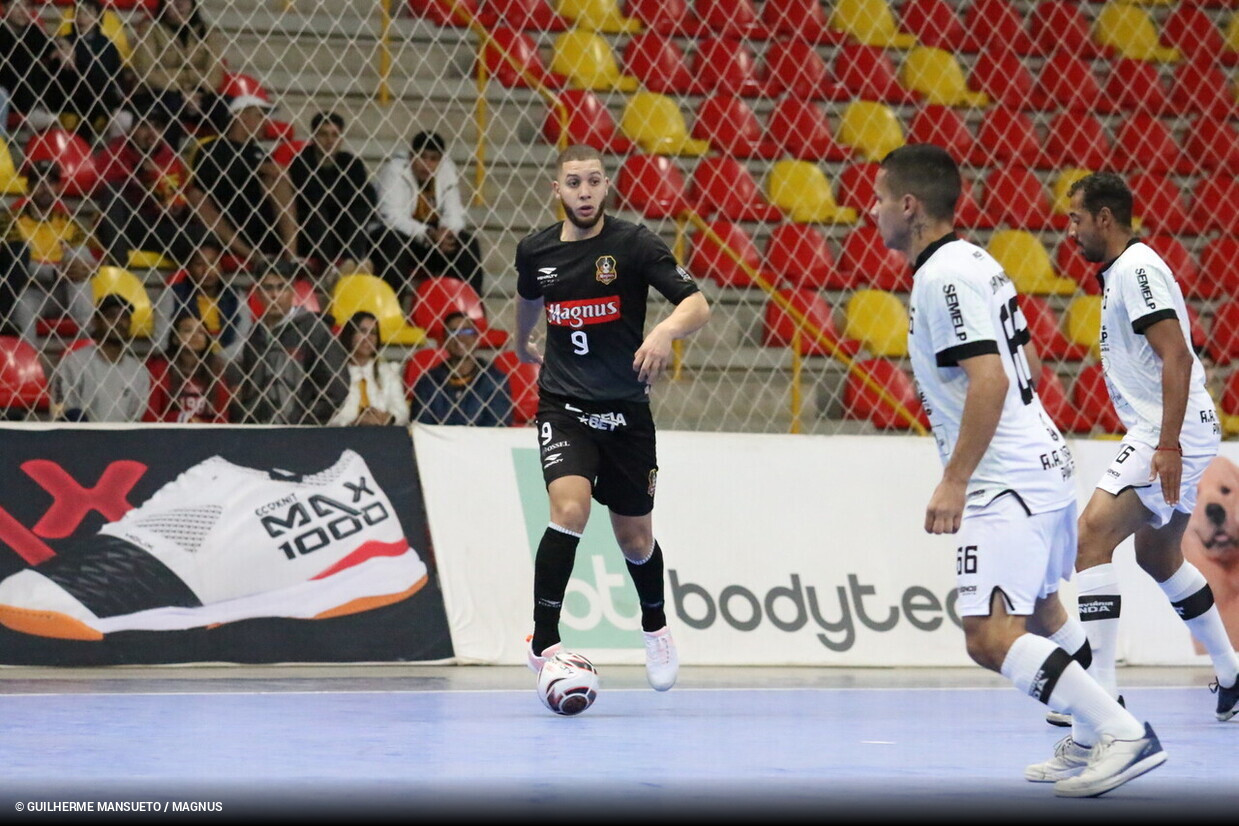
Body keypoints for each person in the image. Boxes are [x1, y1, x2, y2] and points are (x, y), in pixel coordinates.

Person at [872, 144, 1163, 797]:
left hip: (1003, 479)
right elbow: (1024, 359)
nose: (872, 211)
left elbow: (990, 379)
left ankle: (1121, 731)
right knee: (1035, 607)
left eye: (880, 198)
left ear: (909, 207)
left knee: (987, 634)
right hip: (1040, 460)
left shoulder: (941, 276)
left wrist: (954, 479)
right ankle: (1091, 738)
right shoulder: (977, 259)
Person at [513, 144, 711, 693]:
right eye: (573, 182)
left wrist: (664, 331)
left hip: (625, 412)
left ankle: (655, 626)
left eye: (593, 182)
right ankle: (544, 641)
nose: (584, 192)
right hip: (564, 406)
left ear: (606, 187)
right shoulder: (536, 251)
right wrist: (521, 338)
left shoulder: (632, 243)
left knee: (635, 539)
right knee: (569, 508)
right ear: (557, 190)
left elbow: (696, 303)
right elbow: (530, 297)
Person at [1063, 171, 1239, 723]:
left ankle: (1102, 696)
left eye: (1076, 219)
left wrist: (1166, 445)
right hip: (1177, 426)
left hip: (1172, 428)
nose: (1070, 232)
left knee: (1091, 534)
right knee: (1158, 555)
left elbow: (1178, 357)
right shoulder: (1121, 271)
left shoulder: (1137, 269)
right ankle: (1234, 675)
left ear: (1104, 219)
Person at [186, 94, 299, 269]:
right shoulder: (212, 147)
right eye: (260, 115)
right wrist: (258, 168)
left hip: (259, 221)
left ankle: (291, 257)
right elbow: (213, 177)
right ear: (240, 116)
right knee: (195, 196)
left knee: (278, 179)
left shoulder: (261, 152)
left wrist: (268, 172)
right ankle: (255, 258)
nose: (266, 123)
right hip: (224, 224)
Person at [230, 260, 347, 424]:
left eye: (281, 287)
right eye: (268, 288)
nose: (274, 295)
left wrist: (305, 424)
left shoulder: (313, 329)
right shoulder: (254, 335)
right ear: (257, 292)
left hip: (299, 437)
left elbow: (337, 387)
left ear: (292, 291)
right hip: (259, 435)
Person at [372, 130, 484, 299]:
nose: (427, 164)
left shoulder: (446, 170)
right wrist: (428, 234)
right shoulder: (394, 170)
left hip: (433, 239)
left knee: (468, 244)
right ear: (411, 156)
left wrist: (446, 232)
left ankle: (468, 310)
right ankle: (394, 310)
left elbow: (455, 211)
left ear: (440, 160)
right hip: (399, 234)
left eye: (433, 159)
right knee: (393, 242)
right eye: (422, 157)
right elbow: (390, 215)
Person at [94, 105, 196, 265]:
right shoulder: (114, 152)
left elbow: (181, 196)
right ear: (132, 129)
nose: (151, 133)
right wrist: (140, 177)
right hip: (127, 225)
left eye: (157, 127)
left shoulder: (171, 159)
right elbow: (100, 188)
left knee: (206, 234)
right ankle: (119, 265)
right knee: (113, 192)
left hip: (159, 226)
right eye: (144, 126)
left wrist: (176, 207)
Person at [288, 111, 376, 279]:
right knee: (317, 210)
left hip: (343, 231)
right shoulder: (300, 161)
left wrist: (332, 198)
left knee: (359, 208)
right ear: (313, 137)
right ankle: (329, 270)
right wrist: (342, 197)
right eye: (323, 134)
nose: (330, 140)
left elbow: (366, 196)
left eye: (335, 135)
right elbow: (309, 199)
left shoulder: (351, 163)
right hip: (311, 232)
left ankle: (352, 262)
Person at [129, 0, 227, 149]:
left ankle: (225, 159)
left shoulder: (206, 30)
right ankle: (169, 161)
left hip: (197, 93)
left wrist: (198, 91)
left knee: (229, 109)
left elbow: (215, 71)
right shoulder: (149, 29)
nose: (179, 4)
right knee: (172, 106)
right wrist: (181, 90)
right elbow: (147, 72)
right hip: (158, 92)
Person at [153, 233, 252, 364]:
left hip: (225, 365)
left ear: (221, 266)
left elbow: (244, 340)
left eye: (213, 263)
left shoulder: (236, 296)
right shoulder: (172, 294)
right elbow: (160, 342)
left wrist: (218, 360)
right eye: (199, 264)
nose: (207, 270)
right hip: (182, 364)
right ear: (188, 267)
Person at [51, 294, 151, 422]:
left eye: (124, 317)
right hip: (79, 438)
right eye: (111, 315)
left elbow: (135, 420)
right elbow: (60, 413)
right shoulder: (72, 363)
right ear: (96, 321)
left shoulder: (139, 372)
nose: (118, 321)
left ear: (130, 324)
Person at [412, 311, 512, 426]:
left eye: (467, 331)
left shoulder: (495, 381)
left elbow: (497, 427)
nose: (460, 337)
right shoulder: (428, 382)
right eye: (453, 332)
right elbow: (422, 427)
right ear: (444, 340)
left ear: (477, 338)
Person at [145, 312, 232, 422]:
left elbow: (222, 418)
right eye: (187, 330)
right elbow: (150, 416)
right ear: (175, 338)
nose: (195, 335)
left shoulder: (216, 370)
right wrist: (183, 419)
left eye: (200, 332)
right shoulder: (159, 369)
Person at [11, 160, 91, 279]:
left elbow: (91, 259)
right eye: (39, 181)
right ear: (29, 187)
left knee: (80, 253)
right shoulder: (11, 220)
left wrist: (88, 268)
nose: (45, 188)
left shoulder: (67, 220)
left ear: (58, 187)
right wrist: (55, 272)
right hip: (26, 289)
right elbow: (11, 263)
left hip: (64, 287)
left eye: (51, 182)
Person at [61, 0, 128, 141]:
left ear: (97, 16)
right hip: (73, 96)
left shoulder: (107, 45)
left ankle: (82, 143)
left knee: (120, 112)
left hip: (103, 97)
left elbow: (117, 75)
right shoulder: (66, 41)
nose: (81, 18)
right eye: (78, 13)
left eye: (87, 13)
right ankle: (81, 143)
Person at [328, 310, 409, 427]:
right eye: (363, 331)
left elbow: (402, 411)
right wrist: (357, 420)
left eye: (373, 333)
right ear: (350, 335)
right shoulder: (334, 372)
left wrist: (389, 417)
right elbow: (327, 416)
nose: (369, 337)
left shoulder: (387, 372)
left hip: (383, 434)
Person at [0, 0, 71, 132]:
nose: (23, 11)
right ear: (4, 8)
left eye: (27, 6)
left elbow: (53, 44)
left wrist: (64, 46)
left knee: (59, 61)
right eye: (16, 6)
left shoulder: (32, 31)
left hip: (31, 103)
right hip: (5, 100)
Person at [12, 243, 94, 347]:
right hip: (34, 290)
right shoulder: (16, 229)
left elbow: (96, 259)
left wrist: (90, 267)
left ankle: (86, 333)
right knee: (22, 304)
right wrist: (56, 272)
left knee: (77, 252)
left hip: (70, 289)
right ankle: (26, 357)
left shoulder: (73, 229)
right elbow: (13, 262)